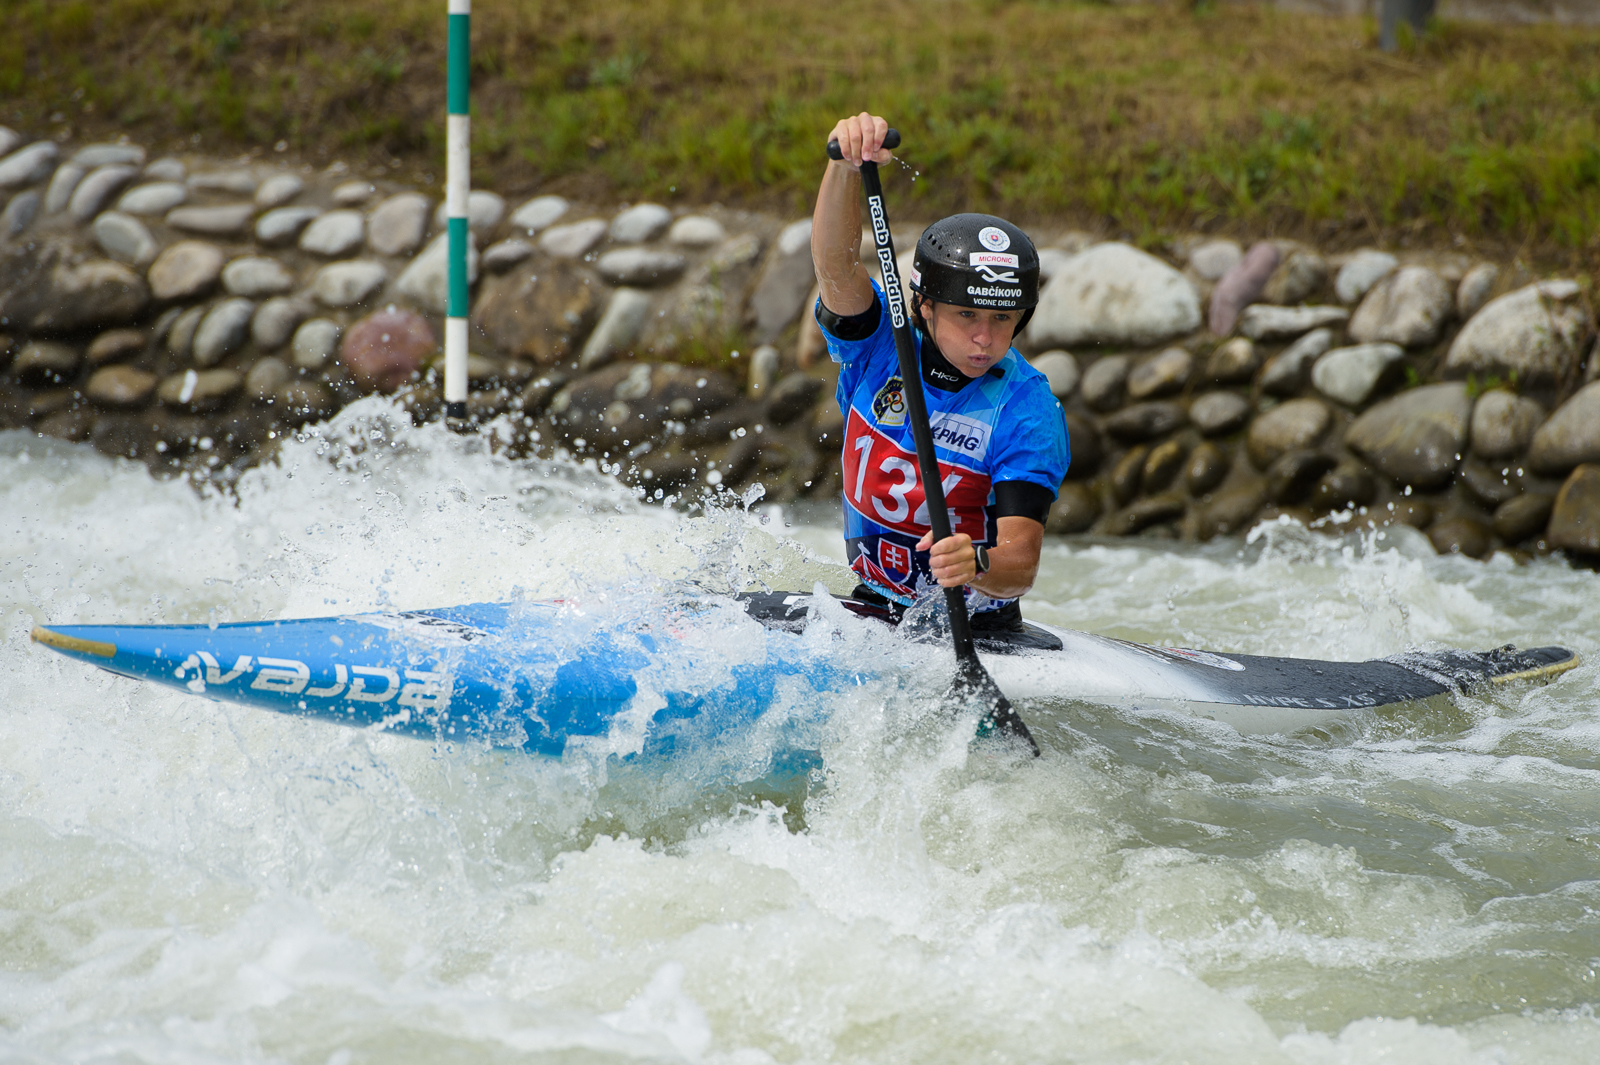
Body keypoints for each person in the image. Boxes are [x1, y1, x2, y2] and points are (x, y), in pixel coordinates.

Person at [811, 112, 1070, 631]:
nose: (985, 338)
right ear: (925, 306)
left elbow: (1021, 562)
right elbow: (837, 268)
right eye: (967, 315)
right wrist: (844, 165)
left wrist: (974, 562)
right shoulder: (882, 344)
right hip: (873, 603)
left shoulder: (1026, 409)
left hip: (976, 625)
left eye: (1002, 319)